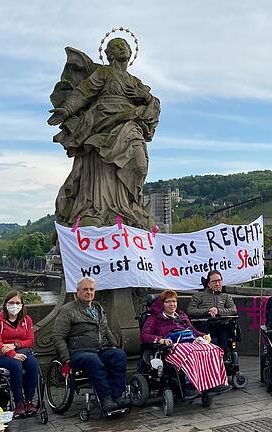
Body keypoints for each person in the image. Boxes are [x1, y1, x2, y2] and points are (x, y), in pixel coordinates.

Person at [47, 37, 161, 228]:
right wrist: (66, 109)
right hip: (102, 123)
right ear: (109, 54)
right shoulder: (103, 73)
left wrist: (146, 96)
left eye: (124, 45)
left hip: (130, 125)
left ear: (130, 53)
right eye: (116, 46)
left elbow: (153, 104)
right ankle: (98, 209)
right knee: (102, 169)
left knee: (140, 166)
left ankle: (130, 206)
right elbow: (83, 93)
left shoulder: (135, 82)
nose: (122, 48)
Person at [52, 277, 129, 415]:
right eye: (85, 289)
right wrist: (65, 359)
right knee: (92, 360)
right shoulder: (67, 310)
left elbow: (106, 329)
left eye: (91, 289)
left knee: (119, 355)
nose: (89, 292)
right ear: (77, 292)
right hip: (78, 352)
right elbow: (58, 336)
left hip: (98, 350)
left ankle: (117, 396)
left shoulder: (97, 308)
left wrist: (115, 346)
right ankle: (105, 398)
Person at [140, 290, 231, 399]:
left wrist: (204, 336)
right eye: (168, 302)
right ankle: (190, 386)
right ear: (162, 304)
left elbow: (194, 331)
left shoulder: (181, 316)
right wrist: (160, 340)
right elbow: (144, 336)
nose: (172, 304)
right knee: (191, 353)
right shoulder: (154, 318)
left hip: (189, 341)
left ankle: (214, 383)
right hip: (170, 348)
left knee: (214, 349)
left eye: (174, 301)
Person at [0, 291, 39, 418]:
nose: (14, 305)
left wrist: (16, 345)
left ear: (22, 305)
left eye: (17, 303)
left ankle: (29, 401)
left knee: (33, 364)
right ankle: (19, 403)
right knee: (16, 365)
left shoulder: (26, 320)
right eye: (11, 303)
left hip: (20, 351)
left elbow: (30, 340)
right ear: (5, 304)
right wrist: (12, 354)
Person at [187, 270, 237, 353]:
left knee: (225, 327)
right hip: (204, 325)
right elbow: (190, 310)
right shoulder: (198, 296)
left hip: (221, 324)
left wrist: (218, 311)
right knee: (203, 326)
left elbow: (233, 310)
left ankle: (223, 355)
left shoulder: (226, 297)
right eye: (214, 281)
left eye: (219, 281)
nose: (217, 284)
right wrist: (208, 311)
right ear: (209, 284)